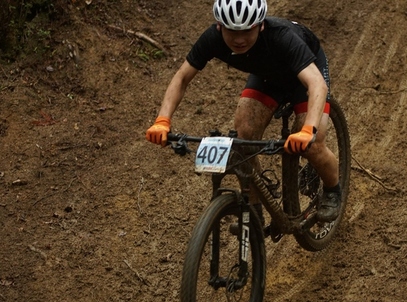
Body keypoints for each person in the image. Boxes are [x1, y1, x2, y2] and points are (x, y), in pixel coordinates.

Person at [146, 0, 341, 222]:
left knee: (313, 145)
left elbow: (317, 85)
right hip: (267, 78)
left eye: (247, 31)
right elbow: (181, 78)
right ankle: (255, 208)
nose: (239, 39)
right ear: (220, 27)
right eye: (231, 31)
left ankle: (333, 190)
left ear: (261, 26)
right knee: (243, 138)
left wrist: (308, 130)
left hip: (305, 77)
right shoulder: (212, 39)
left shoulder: (283, 36)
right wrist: (162, 120)